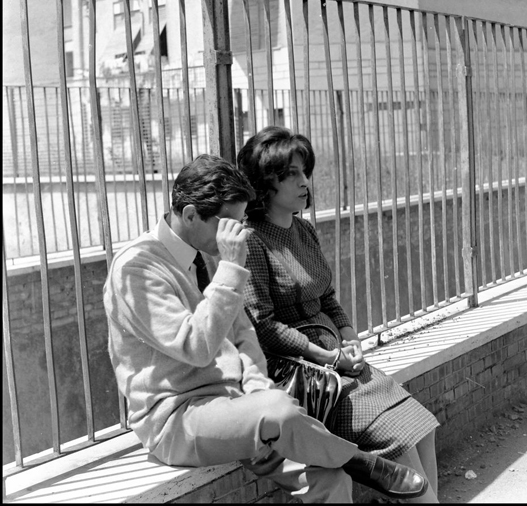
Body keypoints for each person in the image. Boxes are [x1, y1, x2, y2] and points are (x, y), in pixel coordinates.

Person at [103, 153, 429, 503]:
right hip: (179, 418)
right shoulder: (136, 269)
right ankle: (359, 461)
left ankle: (340, 461)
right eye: (229, 225)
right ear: (190, 215)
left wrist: (257, 387)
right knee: (281, 411)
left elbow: (244, 334)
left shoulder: (210, 252)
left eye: (241, 224)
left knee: (328, 477)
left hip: (241, 408)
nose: (238, 236)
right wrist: (230, 267)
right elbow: (195, 346)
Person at [237, 127, 441, 503]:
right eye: (291, 174)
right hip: (304, 374)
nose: (304, 181)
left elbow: (327, 296)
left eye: (304, 171)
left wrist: (350, 338)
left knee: (421, 427)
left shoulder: (304, 229)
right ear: (265, 184)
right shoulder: (252, 240)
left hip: (338, 361)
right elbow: (262, 326)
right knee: (399, 442)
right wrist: (329, 357)